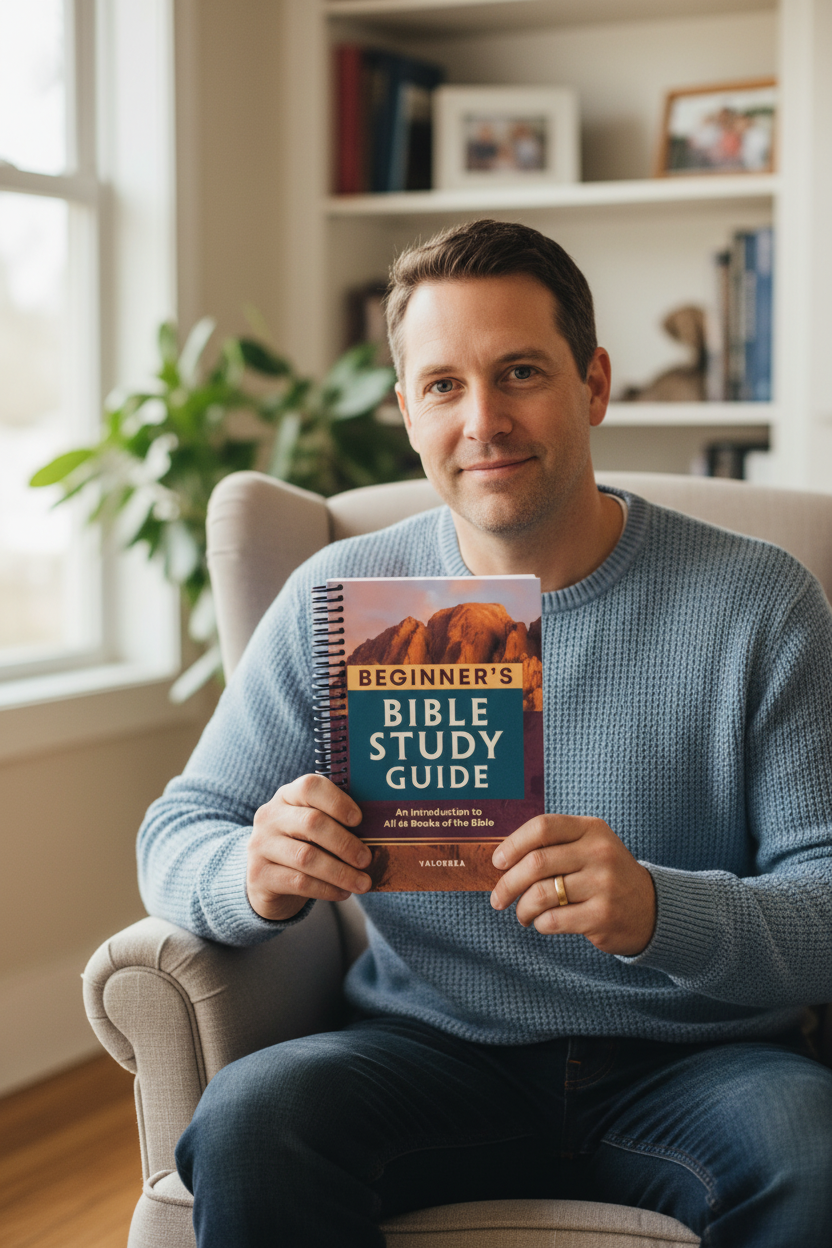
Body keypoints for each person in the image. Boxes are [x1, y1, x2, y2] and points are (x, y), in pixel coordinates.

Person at [138, 219, 832, 1247]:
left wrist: (656, 907)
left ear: (592, 384)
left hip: (703, 1060)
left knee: (812, 1151)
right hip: (428, 1051)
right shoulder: (339, 595)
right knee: (252, 1118)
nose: (484, 422)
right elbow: (176, 831)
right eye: (443, 386)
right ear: (405, 411)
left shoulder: (756, 601)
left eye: (519, 373)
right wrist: (253, 867)